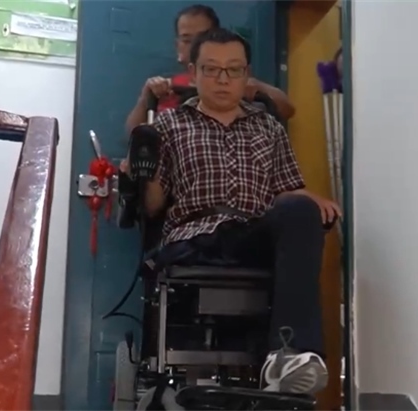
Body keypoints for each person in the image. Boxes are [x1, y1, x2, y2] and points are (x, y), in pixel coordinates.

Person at [142, 28, 341, 394]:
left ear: (246, 74)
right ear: (194, 72)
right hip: (197, 236)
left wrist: (310, 204)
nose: (223, 79)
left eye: (233, 70)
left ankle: (290, 355)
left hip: (252, 231)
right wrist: (143, 170)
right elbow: (153, 206)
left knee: (299, 211)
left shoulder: (268, 127)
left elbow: (287, 189)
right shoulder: (169, 126)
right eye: (212, 69)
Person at [123, 4, 295, 133]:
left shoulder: (235, 83)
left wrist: (258, 87)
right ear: (178, 46)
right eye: (187, 40)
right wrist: (146, 97)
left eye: (202, 37)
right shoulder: (166, 88)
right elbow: (134, 134)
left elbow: (286, 110)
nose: (194, 45)